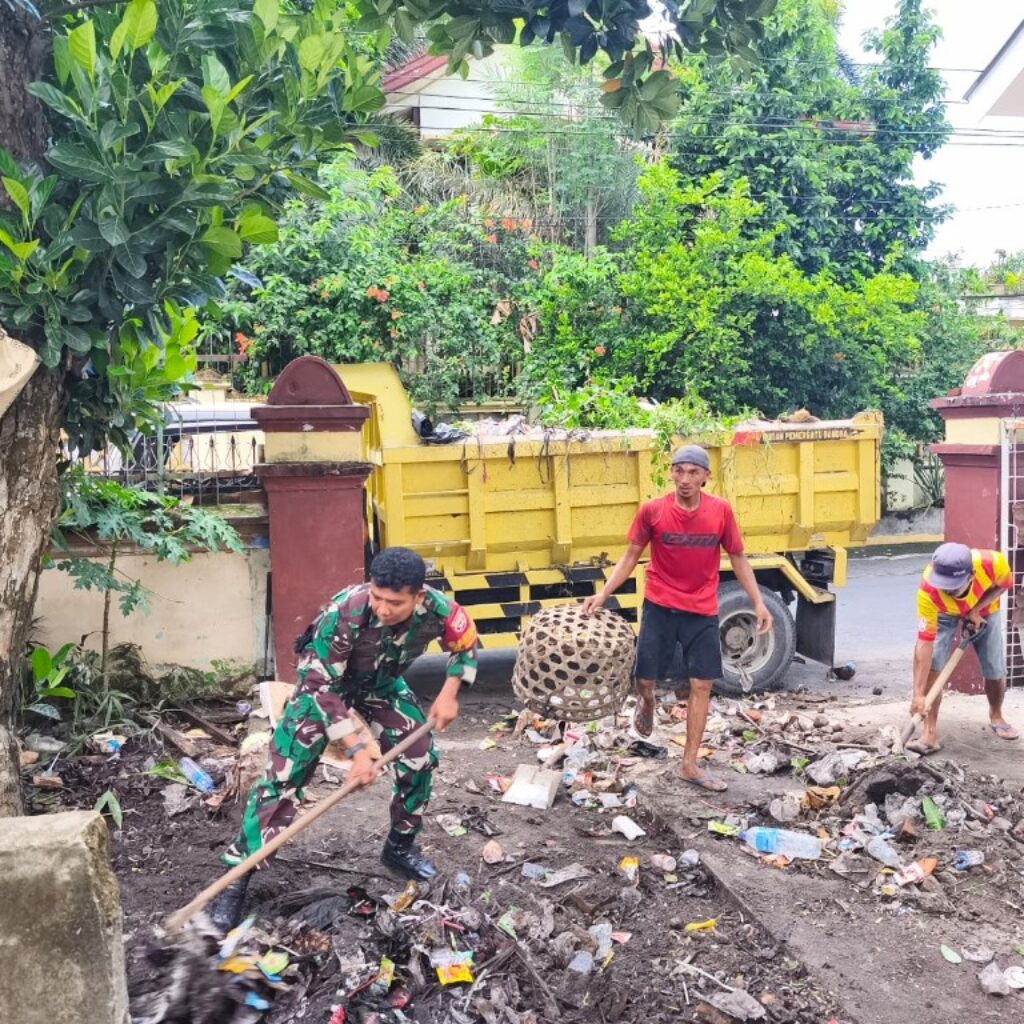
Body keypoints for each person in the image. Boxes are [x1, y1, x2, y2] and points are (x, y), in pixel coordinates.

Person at [209, 546, 480, 931]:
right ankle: (236, 879)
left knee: (418, 756)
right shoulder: (345, 612)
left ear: (418, 597)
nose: (383, 609)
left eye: (395, 602)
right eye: (377, 597)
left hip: (381, 686)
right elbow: (322, 688)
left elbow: (466, 644)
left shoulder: (440, 610)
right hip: (321, 691)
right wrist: (357, 751)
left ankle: (399, 848)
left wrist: (450, 692)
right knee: (284, 779)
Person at [581, 445, 772, 791]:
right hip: (659, 605)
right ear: (671, 473)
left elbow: (739, 558)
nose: (684, 479)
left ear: (705, 477)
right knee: (645, 680)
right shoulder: (653, 511)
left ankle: (689, 764)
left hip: (701, 611)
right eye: (678, 471)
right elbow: (629, 557)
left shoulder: (721, 512)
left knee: (702, 684)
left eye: (692, 472)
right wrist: (603, 594)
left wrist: (758, 603)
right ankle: (648, 701)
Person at [909, 541, 1019, 755]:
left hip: (985, 608)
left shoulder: (993, 563)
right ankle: (929, 733)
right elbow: (924, 642)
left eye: (952, 586)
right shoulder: (929, 591)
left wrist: (977, 608)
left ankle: (996, 715)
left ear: (971, 575)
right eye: (943, 584)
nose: (946, 590)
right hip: (943, 613)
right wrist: (918, 694)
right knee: (934, 664)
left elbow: (1004, 585)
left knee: (994, 667)